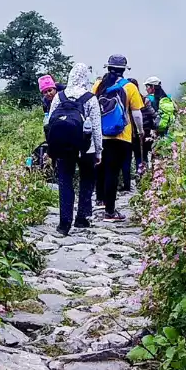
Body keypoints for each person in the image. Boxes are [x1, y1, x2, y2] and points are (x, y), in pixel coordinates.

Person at [44, 63, 102, 236]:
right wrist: (98, 151)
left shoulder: (59, 96)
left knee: (65, 182)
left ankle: (64, 224)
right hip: (86, 147)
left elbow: (49, 124)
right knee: (86, 179)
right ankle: (82, 218)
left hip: (62, 146)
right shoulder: (90, 98)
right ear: (85, 77)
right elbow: (97, 128)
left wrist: (51, 148)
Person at [91, 55, 146, 222]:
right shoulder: (130, 87)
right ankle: (110, 211)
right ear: (124, 69)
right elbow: (136, 113)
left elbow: (91, 107)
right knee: (113, 172)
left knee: (100, 169)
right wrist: (140, 131)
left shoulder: (98, 85)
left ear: (108, 68)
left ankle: (100, 200)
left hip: (100, 134)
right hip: (122, 136)